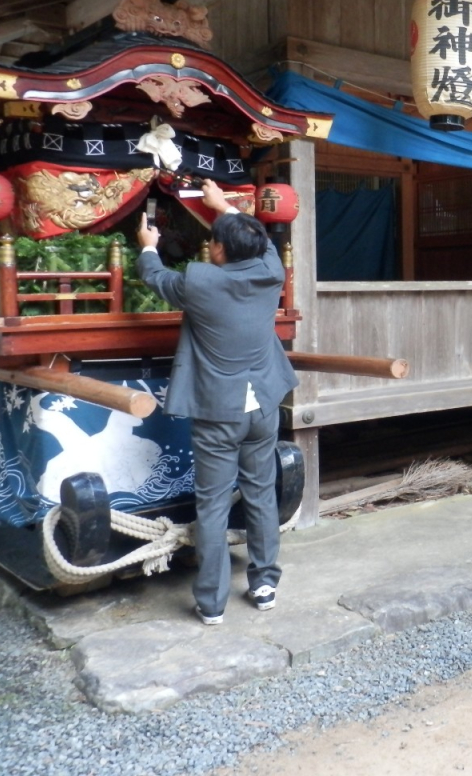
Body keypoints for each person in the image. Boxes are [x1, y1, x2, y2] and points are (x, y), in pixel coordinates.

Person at [136, 179, 299, 624]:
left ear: (221, 252)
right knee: (262, 493)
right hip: (263, 403)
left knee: (211, 505)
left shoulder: (201, 284)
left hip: (218, 410)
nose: (210, 246)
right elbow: (260, 243)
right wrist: (222, 207)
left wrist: (149, 245)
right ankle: (265, 584)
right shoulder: (271, 272)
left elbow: (154, 276)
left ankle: (212, 603)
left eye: (213, 241)